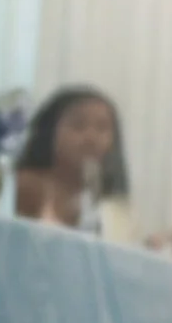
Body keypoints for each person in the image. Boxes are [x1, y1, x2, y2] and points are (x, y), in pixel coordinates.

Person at [11, 84, 134, 237]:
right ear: (50, 132)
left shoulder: (113, 207)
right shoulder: (24, 184)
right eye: (78, 125)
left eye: (102, 128)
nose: (91, 138)